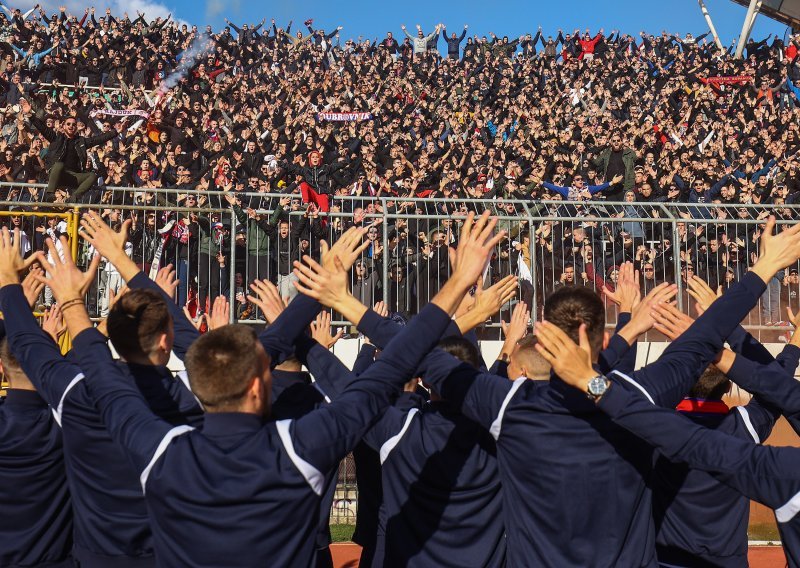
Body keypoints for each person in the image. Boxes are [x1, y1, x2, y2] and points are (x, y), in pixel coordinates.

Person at [19, 212, 503, 566]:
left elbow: (103, 375)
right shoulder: (303, 446)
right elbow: (389, 369)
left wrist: (71, 293)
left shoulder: (157, 447)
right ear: (258, 384)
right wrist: (457, 281)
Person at [411, 217, 800, 566]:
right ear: (601, 340)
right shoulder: (635, 395)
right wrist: (763, 268)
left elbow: (417, 351)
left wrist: (462, 288)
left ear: (542, 340)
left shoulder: (508, 405)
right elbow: (703, 340)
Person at [21, 99, 118, 201]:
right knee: (59, 164)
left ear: (76, 127)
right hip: (57, 174)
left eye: (73, 124)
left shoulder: (81, 141)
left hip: (73, 176)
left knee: (92, 175)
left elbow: (98, 139)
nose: (71, 126)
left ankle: (74, 197)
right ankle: (50, 193)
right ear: (63, 126)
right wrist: (30, 115)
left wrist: (116, 132)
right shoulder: (56, 138)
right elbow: (42, 128)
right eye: (68, 124)